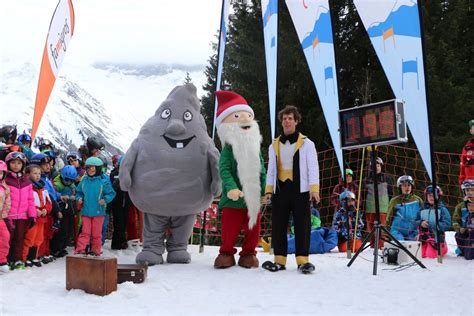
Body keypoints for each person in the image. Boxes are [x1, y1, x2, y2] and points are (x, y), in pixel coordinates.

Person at [212, 90, 266, 269]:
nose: (244, 119)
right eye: (237, 115)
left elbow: (262, 170)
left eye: (247, 115)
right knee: (229, 229)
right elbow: (224, 169)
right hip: (233, 199)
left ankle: (249, 254)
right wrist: (232, 188)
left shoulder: (255, 147)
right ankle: (226, 253)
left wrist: (265, 190)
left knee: (253, 229)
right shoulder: (228, 148)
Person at [263, 105, 320, 274]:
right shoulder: (274, 145)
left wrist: (314, 188)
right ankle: (279, 260)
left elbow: (313, 167)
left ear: (296, 121)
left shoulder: (307, 144)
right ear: (281, 122)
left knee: (302, 224)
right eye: (284, 119)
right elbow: (271, 169)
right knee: (278, 225)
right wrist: (268, 190)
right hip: (281, 190)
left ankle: (303, 261)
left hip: (300, 190)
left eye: (290, 118)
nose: (287, 121)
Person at [75, 157, 115, 256]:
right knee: (85, 232)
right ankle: (81, 249)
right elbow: (78, 192)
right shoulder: (85, 180)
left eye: (92, 168)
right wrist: (79, 198)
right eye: (88, 168)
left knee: (96, 233)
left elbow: (111, 193)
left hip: (98, 212)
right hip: (86, 211)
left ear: (98, 168)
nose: (90, 170)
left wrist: (104, 200)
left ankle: (95, 250)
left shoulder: (103, 180)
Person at [5, 152, 36, 269]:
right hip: (9, 216)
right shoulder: (5, 179)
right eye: (13, 163)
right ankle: (5, 259)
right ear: (8, 164)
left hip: (23, 216)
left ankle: (17, 259)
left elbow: (30, 200)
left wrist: (32, 215)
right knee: (7, 239)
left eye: (19, 163)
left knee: (19, 238)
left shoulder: (27, 182)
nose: (16, 165)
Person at [22, 164, 52, 267]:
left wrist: (46, 210)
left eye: (39, 173)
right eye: (35, 173)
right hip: (32, 218)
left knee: (38, 239)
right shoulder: (28, 187)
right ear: (27, 175)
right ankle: (24, 258)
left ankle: (33, 257)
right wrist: (35, 211)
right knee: (29, 238)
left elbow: (48, 202)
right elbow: (25, 203)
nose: (38, 175)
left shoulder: (42, 188)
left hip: (42, 218)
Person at [364, 157, 393, 248]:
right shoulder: (367, 179)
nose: (376, 167)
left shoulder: (386, 178)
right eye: (374, 166)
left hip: (382, 207)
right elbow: (363, 193)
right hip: (370, 207)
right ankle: (373, 246)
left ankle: (381, 246)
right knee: (371, 228)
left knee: (381, 228)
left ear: (381, 166)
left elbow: (390, 192)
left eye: (378, 165)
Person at [51, 165, 77, 257]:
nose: (68, 182)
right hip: (60, 208)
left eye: (71, 180)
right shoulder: (56, 185)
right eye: (67, 180)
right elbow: (53, 194)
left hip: (68, 208)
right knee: (62, 229)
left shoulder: (71, 186)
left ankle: (62, 247)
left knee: (69, 229)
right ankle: (56, 248)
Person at [386, 175, 423, 241]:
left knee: (412, 248)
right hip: (397, 231)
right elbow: (389, 218)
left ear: (412, 186)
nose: (407, 188)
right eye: (404, 185)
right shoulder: (395, 201)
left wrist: (420, 232)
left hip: (413, 232)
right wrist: (385, 233)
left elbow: (422, 217)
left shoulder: (417, 200)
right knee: (401, 245)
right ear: (400, 187)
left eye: (409, 185)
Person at [417, 185, 451, 258]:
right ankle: (427, 246)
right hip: (424, 237)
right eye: (430, 195)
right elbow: (415, 220)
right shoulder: (422, 208)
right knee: (421, 254)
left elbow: (447, 223)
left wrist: (436, 225)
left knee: (430, 255)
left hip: (436, 238)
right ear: (426, 196)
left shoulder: (442, 209)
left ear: (438, 196)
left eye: (434, 196)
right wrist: (421, 223)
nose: (432, 198)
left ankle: (443, 247)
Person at [109, 155, 131, 250]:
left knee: (124, 222)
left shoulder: (128, 174)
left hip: (126, 202)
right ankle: (116, 243)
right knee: (118, 223)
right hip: (117, 202)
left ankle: (122, 241)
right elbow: (114, 187)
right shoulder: (114, 173)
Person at [0, 161, 11, 272]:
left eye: (1, 173)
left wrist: (4, 214)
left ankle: (1, 260)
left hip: (0, 218)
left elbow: (7, 202)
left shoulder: (5, 187)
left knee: (5, 237)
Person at [459, 119, 474, 184]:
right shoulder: (466, 148)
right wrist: (461, 180)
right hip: (469, 184)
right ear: (471, 131)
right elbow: (462, 165)